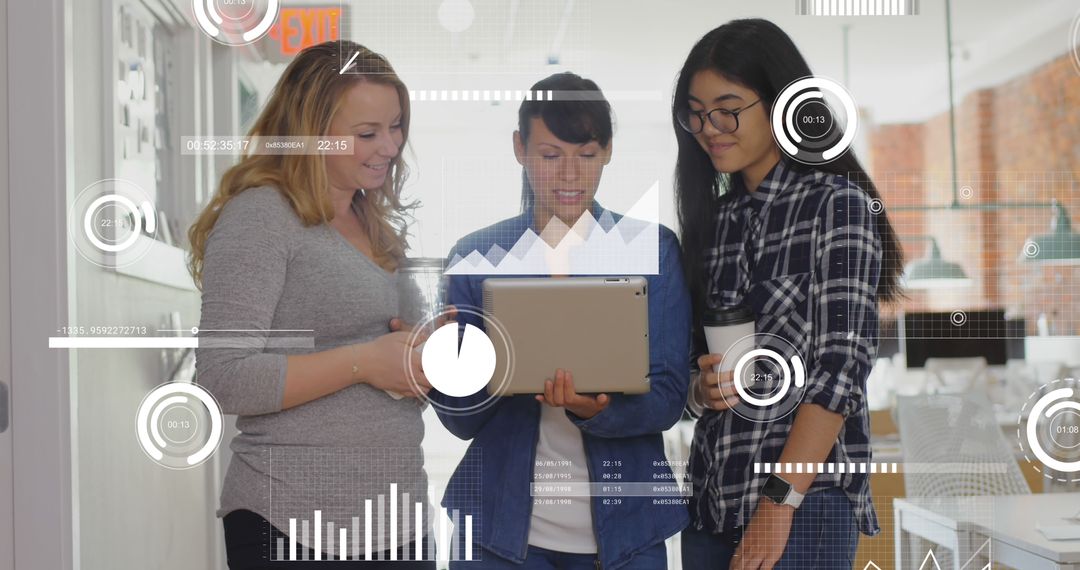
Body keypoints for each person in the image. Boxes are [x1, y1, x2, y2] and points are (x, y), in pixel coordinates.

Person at [428, 72, 692, 569]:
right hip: (498, 534)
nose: (570, 175)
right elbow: (459, 423)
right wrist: (456, 372)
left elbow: (669, 396)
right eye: (550, 156)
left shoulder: (651, 250)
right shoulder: (477, 257)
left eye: (587, 155)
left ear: (609, 150)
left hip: (626, 530)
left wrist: (596, 410)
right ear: (519, 149)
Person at [189, 40, 436, 569]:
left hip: (397, 520)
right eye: (366, 133)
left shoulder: (378, 228)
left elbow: (393, 357)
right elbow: (221, 377)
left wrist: (425, 354)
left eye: (396, 126)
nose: (389, 146)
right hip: (291, 524)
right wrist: (364, 362)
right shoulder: (261, 216)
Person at [672, 19, 905, 569]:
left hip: (806, 506)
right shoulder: (713, 223)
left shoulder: (837, 204)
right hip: (711, 504)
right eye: (697, 112)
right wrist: (700, 390)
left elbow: (842, 367)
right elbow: (685, 370)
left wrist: (778, 504)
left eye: (728, 108)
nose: (710, 127)